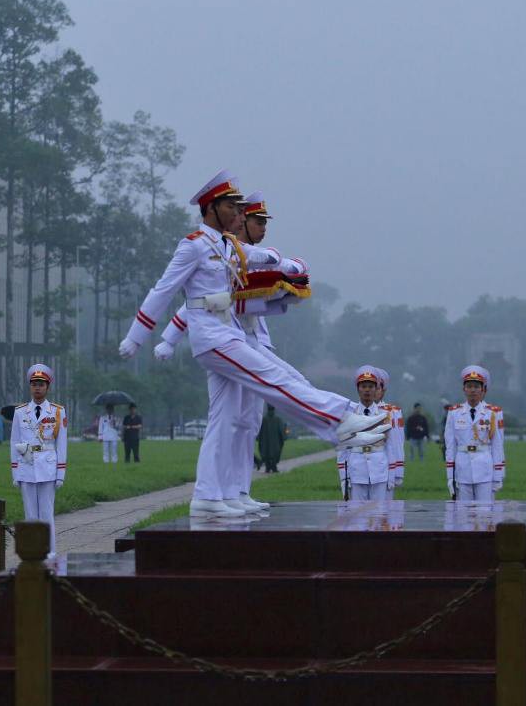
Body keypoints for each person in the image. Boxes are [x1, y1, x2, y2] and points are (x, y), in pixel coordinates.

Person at [119, 170, 387, 518]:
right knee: (274, 379)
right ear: (212, 207)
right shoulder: (193, 245)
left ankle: (211, 495)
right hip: (213, 337)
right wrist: (137, 336)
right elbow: (163, 291)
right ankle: (340, 418)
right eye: (231, 205)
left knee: (228, 419)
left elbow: (265, 258)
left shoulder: (228, 245)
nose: (237, 212)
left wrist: (292, 266)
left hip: (226, 333)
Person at [11, 364, 68, 558]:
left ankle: (50, 551)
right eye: (34, 384)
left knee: (46, 513)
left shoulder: (58, 412)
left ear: (48, 387)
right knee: (30, 514)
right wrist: (15, 471)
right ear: (30, 386)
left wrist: (60, 473)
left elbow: (61, 445)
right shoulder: (20, 412)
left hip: (48, 466)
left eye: (41, 384)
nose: (37, 388)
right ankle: (31, 552)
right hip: (26, 466)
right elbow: (14, 443)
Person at [444, 365, 506, 503]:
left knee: (485, 514)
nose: (472, 390)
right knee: (464, 515)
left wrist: (498, 475)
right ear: (463, 389)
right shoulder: (454, 413)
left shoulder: (493, 413)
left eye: (476, 387)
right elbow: (450, 446)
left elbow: (498, 445)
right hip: (462, 468)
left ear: (483, 389)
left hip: (484, 467)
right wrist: (450, 476)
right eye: (469, 386)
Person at [338, 366, 397, 501]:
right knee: (358, 515)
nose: (367, 390)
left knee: (378, 513)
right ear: (358, 389)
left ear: (376, 389)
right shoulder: (348, 416)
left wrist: (392, 475)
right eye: (363, 386)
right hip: (357, 470)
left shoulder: (385, 416)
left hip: (379, 470)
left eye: (371, 386)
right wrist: (343, 477)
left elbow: (391, 447)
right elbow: (343, 450)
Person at [375, 367, 405, 498]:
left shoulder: (393, 412)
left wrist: (398, 471)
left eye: (376, 387)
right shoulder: (355, 410)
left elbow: (397, 442)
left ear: (383, 390)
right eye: (367, 386)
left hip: (386, 467)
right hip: (361, 469)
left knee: (385, 513)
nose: (371, 390)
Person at [257, 405, 287, 473]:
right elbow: (281, 430)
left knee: (266, 453)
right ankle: (274, 467)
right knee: (275, 453)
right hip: (276, 442)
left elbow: (259, 430)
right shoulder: (278, 419)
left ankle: (267, 467)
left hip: (265, 442)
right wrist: (284, 437)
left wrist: (258, 438)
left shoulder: (263, 419)